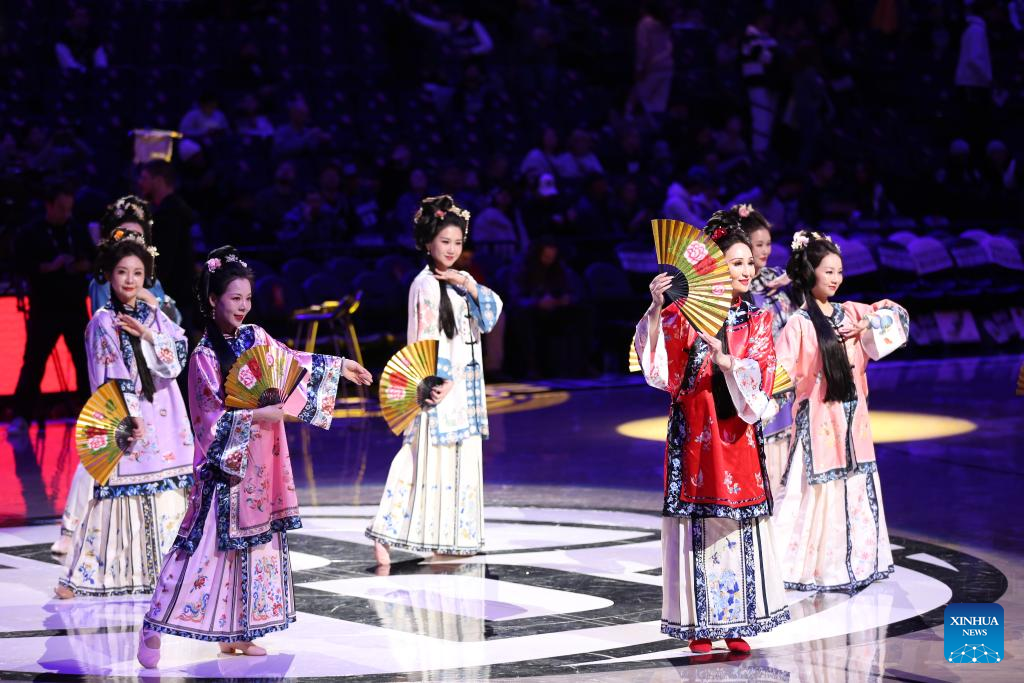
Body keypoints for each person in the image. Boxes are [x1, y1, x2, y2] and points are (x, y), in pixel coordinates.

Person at [138, 246, 372, 666]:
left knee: (255, 548)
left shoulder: (256, 338)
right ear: (212, 300)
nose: (244, 307)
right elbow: (209, 420)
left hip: (260, 465)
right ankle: (153, 625)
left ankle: (239, 634)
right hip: (224, 471)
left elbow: (292, 364)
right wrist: (255, 414)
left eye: (248, 298)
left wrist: (339, 366)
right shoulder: (205, 357)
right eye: (235, 299)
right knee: (198, 548)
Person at [634, 211, 790, 654]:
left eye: (748, 263)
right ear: (718, 270)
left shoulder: (757, 321)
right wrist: (656, 309)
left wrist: (728, 363)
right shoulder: (686, 316)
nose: (745, 270)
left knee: (735, 523)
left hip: (735, 432)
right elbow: (658, 369)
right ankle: (699, 626)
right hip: (695, 430)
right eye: (735, 263)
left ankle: (735, 621)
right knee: (697, 524)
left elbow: (761, 382)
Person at [55, 234, 194, 599]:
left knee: (167, 493)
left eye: (136, 272)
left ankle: (163, 569)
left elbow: (176, 359)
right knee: (113, 494)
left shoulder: (151, 314)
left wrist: (148, 333)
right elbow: (109, 373)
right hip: (131, 416)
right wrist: (130, 416)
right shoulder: (102, 322)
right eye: (122, 272)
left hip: (165, 411)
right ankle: (89, 572)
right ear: (109, 276)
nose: (130, 280)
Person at [367, 196, 502, 566]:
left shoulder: (462, 280)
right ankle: (386, 530)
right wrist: (434, 381)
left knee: (459, 463)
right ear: (428, 242)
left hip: (465, 388)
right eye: (445, 242)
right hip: (440, 387)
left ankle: (450, 539)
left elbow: (491, 314)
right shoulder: (424, 285)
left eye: (458, 243)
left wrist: (467, 284)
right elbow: (423, 339)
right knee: (418, 458)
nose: (452, 250)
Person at [773, 230, 909, 593]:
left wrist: (870, 324)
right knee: (813, 494)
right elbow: (779, 373)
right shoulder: (798, 325)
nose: (836, 278)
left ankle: (858, 564)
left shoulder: (852, 313)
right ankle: (809, 567)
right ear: (810, 273)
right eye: (828, 271)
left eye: (839, 271)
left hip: (854, 423)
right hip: (818, 423)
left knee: (854, 486)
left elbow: (898, 319)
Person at [11, 183, 93, 435]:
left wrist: (80, 266)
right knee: (34, 363)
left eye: (69, 208)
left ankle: (93, 417)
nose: (66, 213)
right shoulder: (31, 233)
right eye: (61, 208)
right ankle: (21, 416)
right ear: (49, 205)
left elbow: (92, 259)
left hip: (75, 306)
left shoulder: (76, 229)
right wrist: (49, 266)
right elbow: (21, 266)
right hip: (45, 308)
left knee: (84, 363)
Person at [736, 204, 795, 491]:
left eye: (768, 243)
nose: (765, 250)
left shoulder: (780, 279)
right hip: (754, 379)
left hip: (785, 376)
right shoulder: (736, 288)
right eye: (758, 244)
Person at [139, 160, 199, 331]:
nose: (140, 182)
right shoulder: (177, 210)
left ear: (158, 180)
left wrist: (151, 290)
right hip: (179, 293)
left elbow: (164, 258)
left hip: (171, 294)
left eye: (144, 178)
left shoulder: (169, 214)